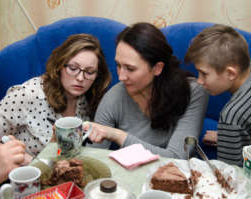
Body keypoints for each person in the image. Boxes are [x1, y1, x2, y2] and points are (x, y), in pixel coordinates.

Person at [0, 33, 111, 174]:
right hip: (5, 177)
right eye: (73, 68)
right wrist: (19, 157)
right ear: (59, 66)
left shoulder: (86, 98)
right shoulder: (28, 94)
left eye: (89, 72)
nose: (81, 78)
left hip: (52, 176)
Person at [85, 22, 209, 159]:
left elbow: (178, 158)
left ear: (157, 68)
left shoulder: (193, 92)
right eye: (118, 65)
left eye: (130, 68)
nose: (121, 76)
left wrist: (118, 135)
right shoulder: (114, 98)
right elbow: (94, 157)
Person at [184, 24, 251, 166]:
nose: (199, 81)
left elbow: (233, 175)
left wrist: (229, 132)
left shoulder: (232, 117)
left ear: (231, 73)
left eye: (204, 73)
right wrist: (227, 138)